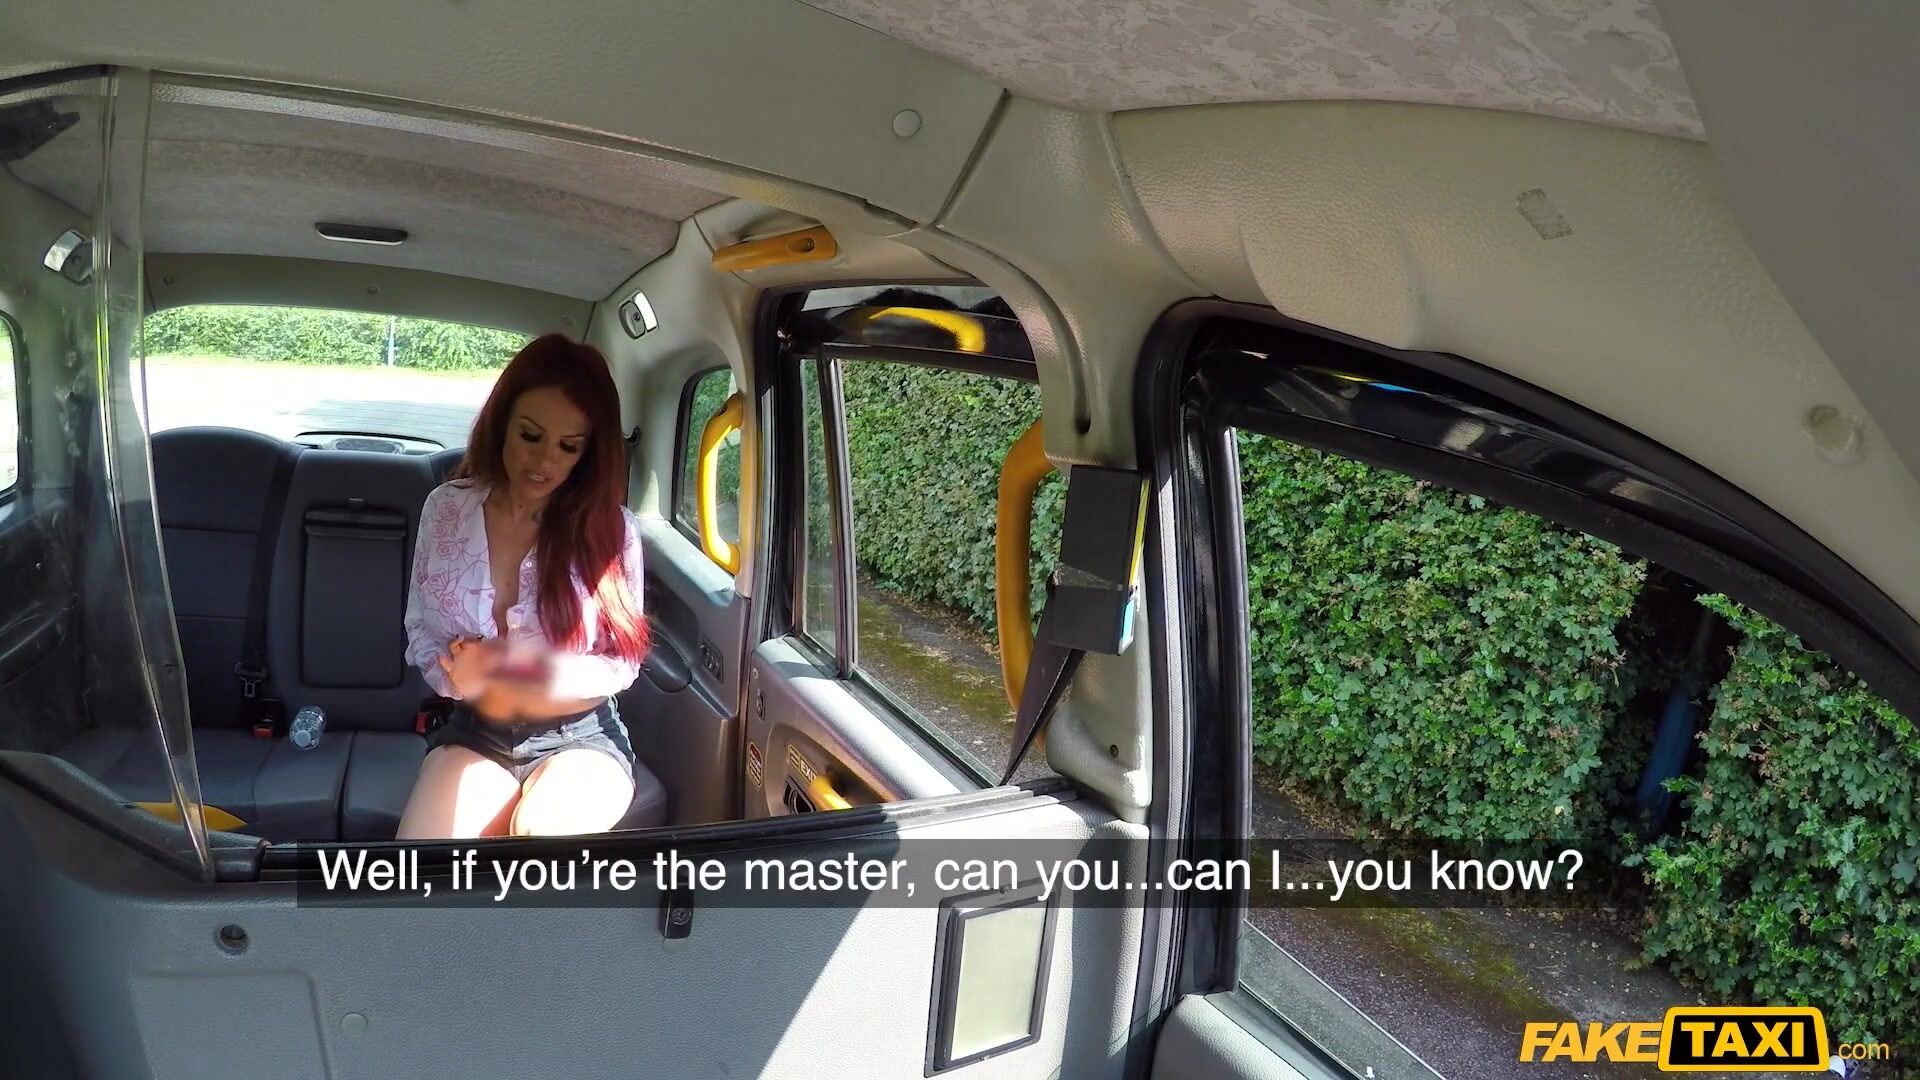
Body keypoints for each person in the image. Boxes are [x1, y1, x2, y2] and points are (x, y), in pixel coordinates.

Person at [395, 333, 649, 839]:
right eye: (531, 436)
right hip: (476, 730)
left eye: (568, 446)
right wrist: (458, 677)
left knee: (537, 842)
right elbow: (420, 627)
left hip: (580, 736)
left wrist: (511, 668)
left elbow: (621, 663)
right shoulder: (445, 509)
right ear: (502, 423)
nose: (545, 461)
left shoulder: (612, 531)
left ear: (588, 451)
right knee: (418, 871)